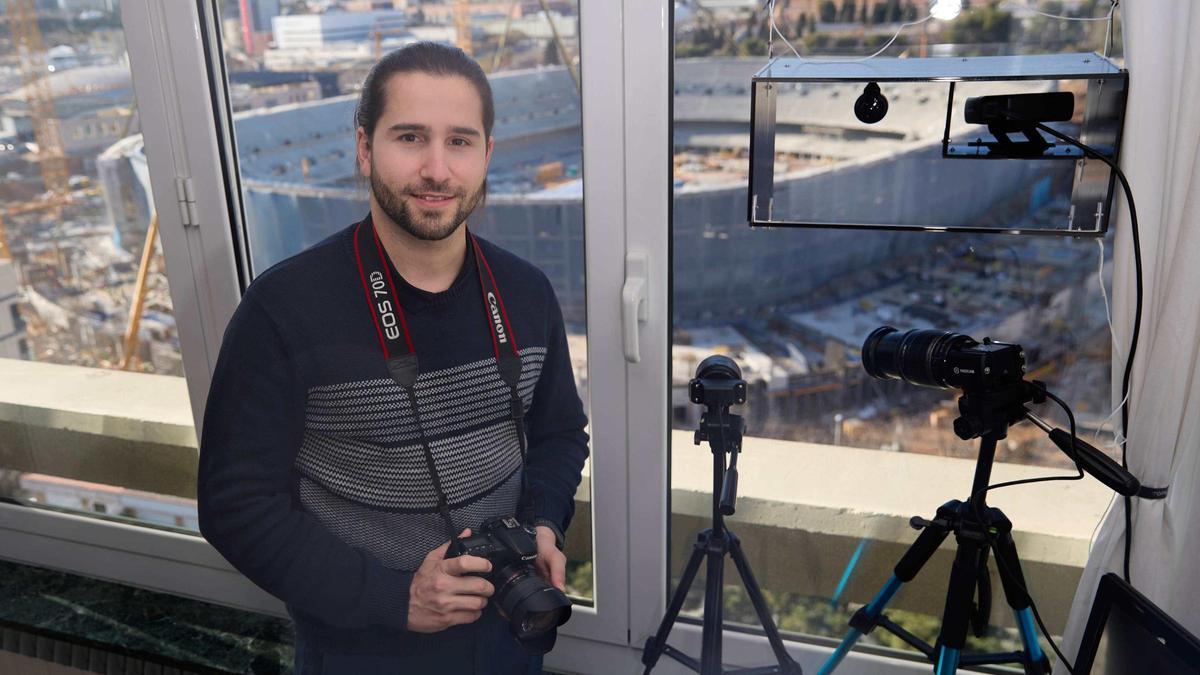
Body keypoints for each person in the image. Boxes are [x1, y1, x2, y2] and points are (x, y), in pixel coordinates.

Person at [197, 42, 589, 674]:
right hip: (362, 648)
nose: (437, 169)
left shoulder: (524, 291)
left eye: (460, 141)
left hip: (506, 632)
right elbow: (233, 505)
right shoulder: (284, 308)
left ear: (487, 154)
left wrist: (545, 522)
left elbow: (560, 432)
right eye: (410, 137)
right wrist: (395, 598)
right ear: (364, 148)